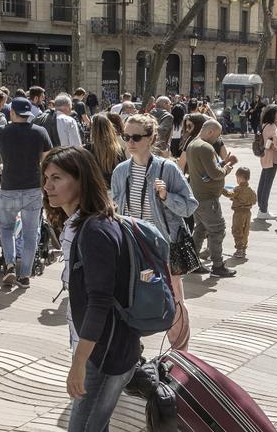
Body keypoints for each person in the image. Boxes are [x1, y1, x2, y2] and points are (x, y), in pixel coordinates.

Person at [46, 146, 154, 432]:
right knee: (98, 430)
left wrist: (79, 362)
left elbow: (99, 301)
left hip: (106, 353)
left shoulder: (94, 230)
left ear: (80, 180)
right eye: (47, 178)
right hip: (107, 346)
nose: (48, 186)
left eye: (57, 178)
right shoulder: (87, 223)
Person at [110, 113, 198, 351]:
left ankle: (180, 354)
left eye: (136, 137)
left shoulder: (166, 169)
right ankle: (130, 354)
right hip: (132, 246)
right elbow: (116, 206)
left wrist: (166, 196)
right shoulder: (120, 171)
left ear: (150, 138)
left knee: (174, 299)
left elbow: (190, 205)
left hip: (163, 246)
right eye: (126, 136)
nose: (129, 142)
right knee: (130, 297)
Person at [0, 97, 53, 288]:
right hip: (33, 188)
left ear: (12, 113)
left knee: (7, 229)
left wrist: (3, 170)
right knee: (30, 233)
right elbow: (47, 162)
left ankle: (9, 264)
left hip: (9, 187)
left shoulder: (1, 132)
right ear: (28, 114)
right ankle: (25, 275)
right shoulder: (40, 132)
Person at [186, 120, 237, 278]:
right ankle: (218, 265)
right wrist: (226, 169)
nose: (217, 139)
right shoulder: (206, 148)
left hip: (197, 196)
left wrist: (222, 162)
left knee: (200, 229)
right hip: (208, 199)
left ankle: (192, 264)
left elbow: (205, 170)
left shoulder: (193, 144)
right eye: (217, 135)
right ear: (210, 131)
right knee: (217, 230)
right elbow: (214, 173)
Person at [255, 105, 277, 220]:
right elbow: (275, 142)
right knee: (267, 184)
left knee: (263, 182)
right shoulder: (272, 126)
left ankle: (261, 207)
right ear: (273, 114)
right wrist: (275, 146)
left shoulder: (264, 125)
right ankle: (263, 210)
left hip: (265, 156)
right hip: (272, 157)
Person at [85, 114, 127, 185]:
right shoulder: (118, 149)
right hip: (115, 188)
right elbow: (124, 171)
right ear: (110, 128)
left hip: (98, 189)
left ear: (93, 130)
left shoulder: (87, 150)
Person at [224, 166, 257, 259]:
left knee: (237, 230)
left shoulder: (238, 189)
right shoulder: (251, 190)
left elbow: (230, 194)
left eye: (237, 178)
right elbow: (254, 201)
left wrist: (222, 190)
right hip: (248, 212)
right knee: (245, 230)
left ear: (240, 178)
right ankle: (244, 247)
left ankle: (239, 249)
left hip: (239, 213)